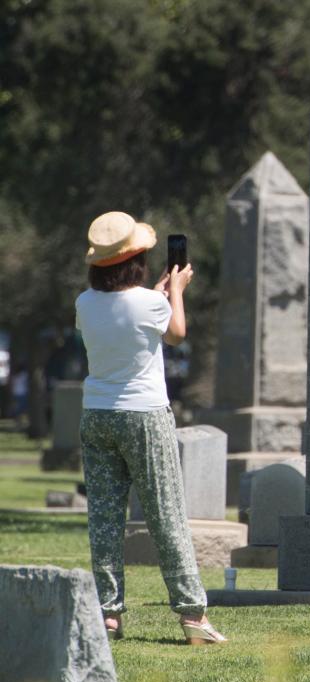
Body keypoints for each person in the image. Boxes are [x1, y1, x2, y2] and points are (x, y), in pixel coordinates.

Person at [75, 211, 226, 644]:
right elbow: (176, 333)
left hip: (97, 413)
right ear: (136, 260)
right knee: (166, 515)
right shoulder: (152, 303)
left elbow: (122, 318)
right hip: (144, 415)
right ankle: (193, 615)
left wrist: (160, 295)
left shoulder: (84, 303)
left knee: (104, 518)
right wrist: (175, 291)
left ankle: (108, 613)